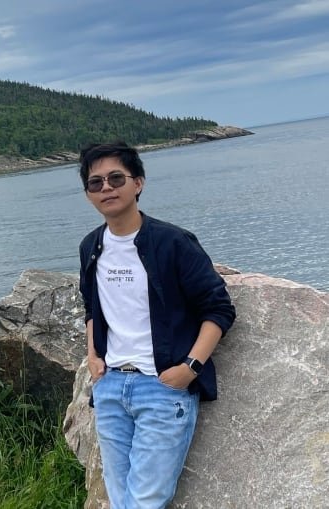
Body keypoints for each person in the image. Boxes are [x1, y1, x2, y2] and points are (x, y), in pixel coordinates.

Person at [77, 141, 236, 509]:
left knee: (145, 501)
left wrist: (190, 368)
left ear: (138, 183)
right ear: (88, 194)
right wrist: (93, 356)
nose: (107, 188)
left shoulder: (173, 242)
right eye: (95, 183)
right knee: (122, 500)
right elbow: (91, 305)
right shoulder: (91, 246)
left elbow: (219, 309)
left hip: (162, 388)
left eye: (116, 178)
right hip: (111, 386)